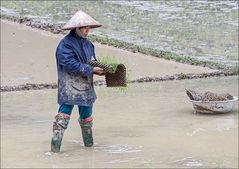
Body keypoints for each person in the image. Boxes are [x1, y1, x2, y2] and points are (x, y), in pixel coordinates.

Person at [51, 10, 106, 152]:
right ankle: (55, 149)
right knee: (63, 116)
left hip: (86, 85)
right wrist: (92, 70)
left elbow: (91, 62)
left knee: (87, 117)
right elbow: (69, 64)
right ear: (76, 28)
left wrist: (102, 68)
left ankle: (89, 147)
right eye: (84, 27)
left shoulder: (89, 45)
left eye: (89, 27)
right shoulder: (65, 45)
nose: (88, 30)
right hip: (69, 84)